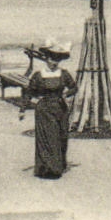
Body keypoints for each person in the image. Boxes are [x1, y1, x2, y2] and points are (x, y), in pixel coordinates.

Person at [17, 39, 76, 179]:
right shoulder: (39, 75)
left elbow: (74, 87)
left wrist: (67, 94)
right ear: (46, 59)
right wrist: (22, 109)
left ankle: (59, 164)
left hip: (61, 109)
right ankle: (48, 169)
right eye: (51, 59)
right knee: (49, 138)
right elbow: (29, 92)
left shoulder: (64, 74)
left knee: (61, 137)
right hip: (44, 110)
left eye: (56, 59)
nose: (53, 62)